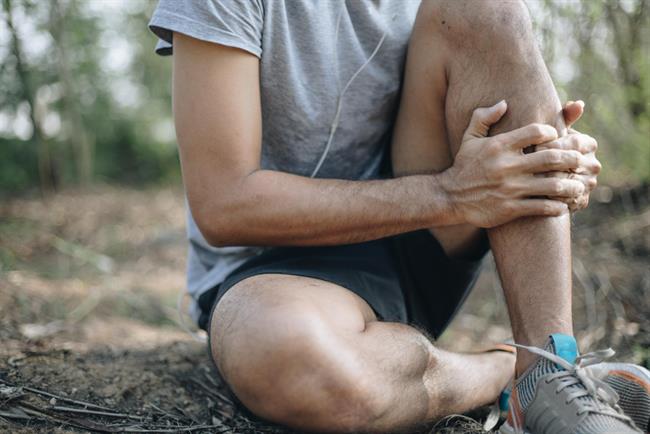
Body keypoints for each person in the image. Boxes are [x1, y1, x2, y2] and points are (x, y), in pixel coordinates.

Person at [149, 1, 650, 433]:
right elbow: (225, 205)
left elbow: (505, 95)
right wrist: (451, 194)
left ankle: (552, 368)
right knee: (296, 361)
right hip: (270, 269)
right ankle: (510, 373)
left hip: (422, 237)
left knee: (485, 8)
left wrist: (550, 162)